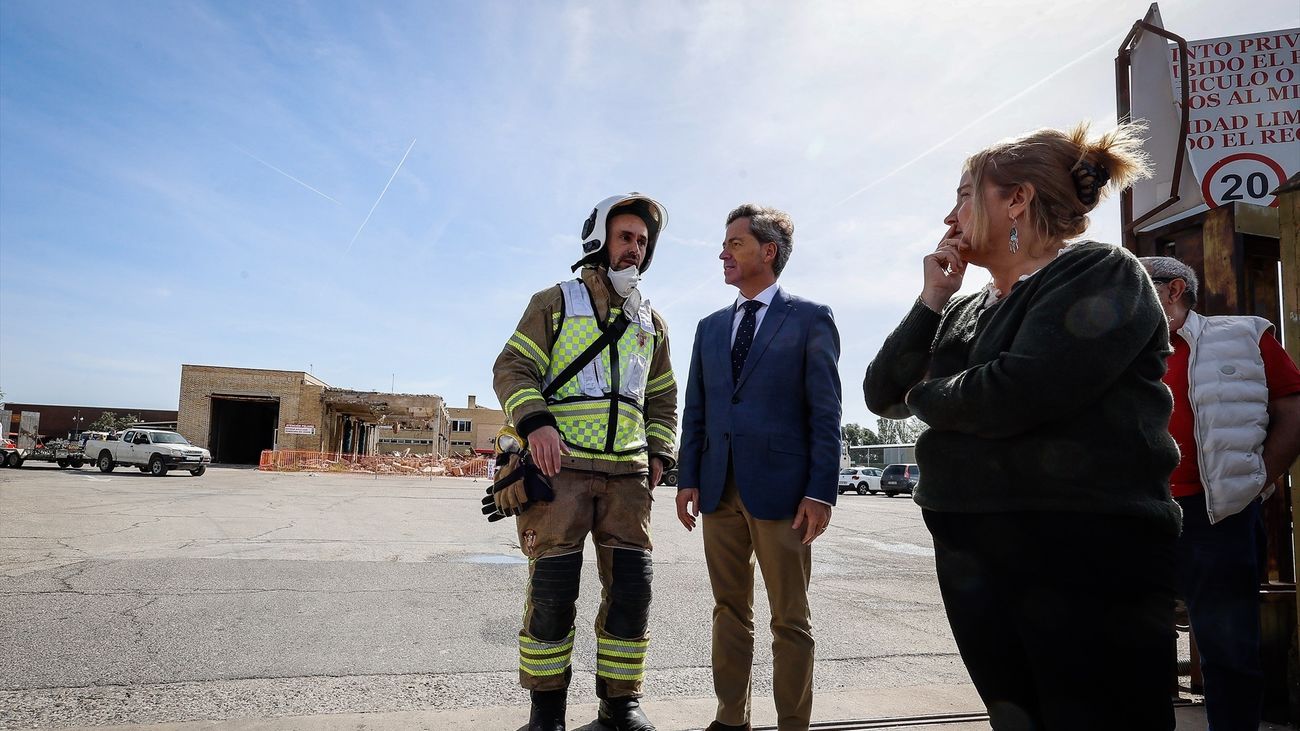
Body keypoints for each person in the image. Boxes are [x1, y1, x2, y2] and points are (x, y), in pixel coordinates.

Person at [863, 123, 1182, 730]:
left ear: (1016, 200)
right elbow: (882, 393)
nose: (949, 213)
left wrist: (926, 394)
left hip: (1085, 551)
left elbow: (1013, 394)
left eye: (963, 193)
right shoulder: (964, 308)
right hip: (976, 552)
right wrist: (932, 298)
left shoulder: (1100, 273)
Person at [492, 193, 679, 731]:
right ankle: (546, 713)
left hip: (628, 480)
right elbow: (512, 367)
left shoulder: (653, 324)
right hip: (560, 475)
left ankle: (619, 707)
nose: (635, 250)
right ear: (599, 239)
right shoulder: (555, 301)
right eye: (626, 237)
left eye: (642, 242)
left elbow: (663, 398)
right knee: (553, 594)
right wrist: (536, 423)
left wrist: (660, 454)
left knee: (631, 594)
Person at [676, 204, 842, 731]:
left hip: (784, 496)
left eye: (735, 243)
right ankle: (731, 719)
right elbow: (696, 409)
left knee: (789, 618)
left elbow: (826, 412)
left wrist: (822, 490)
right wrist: (688, 478)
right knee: (729, 611)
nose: (723, 253)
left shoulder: (812, 318)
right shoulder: (708, 328)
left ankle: (793, 722)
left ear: (768, 251)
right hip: (719, 488)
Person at [1138, 255, 1300, 731]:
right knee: (1131, 647)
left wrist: (1260, 481)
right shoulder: (1114, 347)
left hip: (1218, 515)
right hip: (1137, 515)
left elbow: (1292, 410)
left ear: (1173, 291)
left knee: (1228, 649)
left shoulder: (1245, 335)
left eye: (1137, 286)